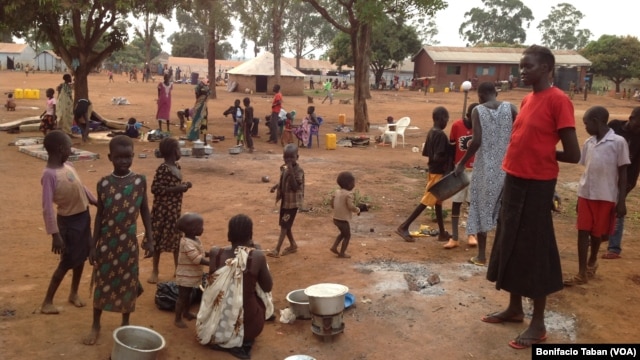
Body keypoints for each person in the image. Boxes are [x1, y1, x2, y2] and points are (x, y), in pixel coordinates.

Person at [482, 45, 580, 349]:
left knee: (535, 250)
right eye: (521, 66)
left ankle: (537, 324)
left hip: (538, 185)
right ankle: (514, 309)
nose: (522, 71)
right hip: (514, 179)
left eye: (528, 66)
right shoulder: (527, 99)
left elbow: (574, 154)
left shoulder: (559, 101)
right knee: (509, 240)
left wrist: (544, 153)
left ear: (547, 68)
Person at [83, 135, 154, 345]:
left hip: (128, 245)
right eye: (119, 157)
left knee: (128, 283)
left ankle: (125, 324)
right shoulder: (103, 183)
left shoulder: (140, 181)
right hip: (106, 244)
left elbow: (145, 212)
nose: (124, 161)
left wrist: (150, 239)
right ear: (109, 157)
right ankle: (96, 324)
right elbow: (100, 217)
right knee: (102, 283)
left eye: (128, 157)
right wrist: (93, 246)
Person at [564, 106, 629, 286]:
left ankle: (592, 262)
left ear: (596, 121)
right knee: (582, 232)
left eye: (586, 123)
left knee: (597, 234)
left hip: (606, 196)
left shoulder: (618, 142)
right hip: (586, 194)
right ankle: (581, 272)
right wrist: (579, 196)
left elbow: (623, 173)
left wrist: (621, 200)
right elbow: (587, 170)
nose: (584, 127)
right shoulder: (589, 143)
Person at [453, 82, 517, 265]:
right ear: (496, 93)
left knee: (482, 208)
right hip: (508, 168)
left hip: (485, 169)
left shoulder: (478, 111)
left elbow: (476, 141)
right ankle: (505, 255)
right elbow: (519, 135)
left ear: (480, 96)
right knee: (506, 211)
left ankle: (481, 256)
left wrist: (461, 164)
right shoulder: (511, 108)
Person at [198, 214, 273, 359]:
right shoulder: (257, 256)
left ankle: (225, 335)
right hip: (250, 328)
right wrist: (258, 251)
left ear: (228, 235)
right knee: (259, 293)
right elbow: (267, 287)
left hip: (216, 325)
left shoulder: (215, 253)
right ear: (250, 235)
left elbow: (216, 287)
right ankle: (237, 338)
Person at [39, 130, 97, 314]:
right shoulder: (49, 175)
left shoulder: (69, 165)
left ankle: (73, 293)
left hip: (83, 218)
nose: (72, 150)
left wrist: (95, 201)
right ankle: (47, 302)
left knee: (81, 258)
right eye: (69, 147)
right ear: (61, 149)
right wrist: (55, 235)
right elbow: (47, 207)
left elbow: (81, 187)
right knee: (66, 262)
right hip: (68, 223)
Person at [396, 106, 453, 243]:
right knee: (427, 200)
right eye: (446, 119)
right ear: (441, 119)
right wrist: (450, 154)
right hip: (438, 172)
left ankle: (442, 233)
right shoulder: (440, 135)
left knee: (438, 202)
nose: (447, 122)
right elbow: (437, 156)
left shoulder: (431, 132)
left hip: (433, 170)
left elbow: (426, 153)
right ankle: (404, 226)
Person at [148, 137, 192, 284]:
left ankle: (177, 269)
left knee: (175, 240)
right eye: (178, 149)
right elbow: (155, 189)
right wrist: (177, 188)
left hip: (174, 211)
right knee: (158, 240)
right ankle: (155, 270)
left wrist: (184, 186)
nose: (180, 151)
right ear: (173, 152)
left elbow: (174, 186)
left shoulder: (177, 167)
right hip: (162, 211)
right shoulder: (163, 169)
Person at [603, 107, 640, 259]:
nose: (639, 130)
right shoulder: (614, 126)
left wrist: (628, 184)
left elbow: (636, 163)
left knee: (618, 208)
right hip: (607, 174)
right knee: (604, 205)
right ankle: (603, 234)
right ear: (631, 118)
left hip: (627, 178)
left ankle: (614, 247)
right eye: (638, 125)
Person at [445, 102, 479, 250]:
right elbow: (451, 149)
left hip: (476, 171)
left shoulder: (481, 127)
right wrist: (449, 170)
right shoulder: (457, 126)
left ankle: (472, 234)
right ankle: (455, 237)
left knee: (472, 204)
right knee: (457, 203)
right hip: (459, 171)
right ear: (468, 116)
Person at [267, 144, 304, 258]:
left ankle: (276, 250)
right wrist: (276, 186)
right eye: (285, 157)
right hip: (285, 201)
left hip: (292, 203)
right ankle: (293, 244)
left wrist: (291, 172)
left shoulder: (298, 171)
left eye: (291, 157)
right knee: (285, 224)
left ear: (297, 157)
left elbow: (294, 186)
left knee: (284, 225)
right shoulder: (285, 168)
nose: (288, 160)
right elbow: (283, 179)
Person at [174, 213, 209, 328]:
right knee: (182, 297)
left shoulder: (195, 240)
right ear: (193, 230)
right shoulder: (186, 243)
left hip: (191, 275)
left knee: (188, 296)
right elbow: (196, 258)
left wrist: (209, 254)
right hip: (185, 276)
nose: (203, 228)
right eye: (201, 226)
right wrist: (211, 263)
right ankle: (178, 319)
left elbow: (200, 253)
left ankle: (186, 313)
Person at [330, 171, 361, 258]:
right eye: (353, 183)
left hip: (335, 218)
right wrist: (358, 210)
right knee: (347, 236)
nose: (354, 185)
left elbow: (331, 203)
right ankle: (342, 253)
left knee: (343, 234)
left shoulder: (336, 192)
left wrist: (335, 207)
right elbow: (351, 206)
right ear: (348, 185)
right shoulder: (349, 194)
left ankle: (334, 247)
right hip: (343, 220)